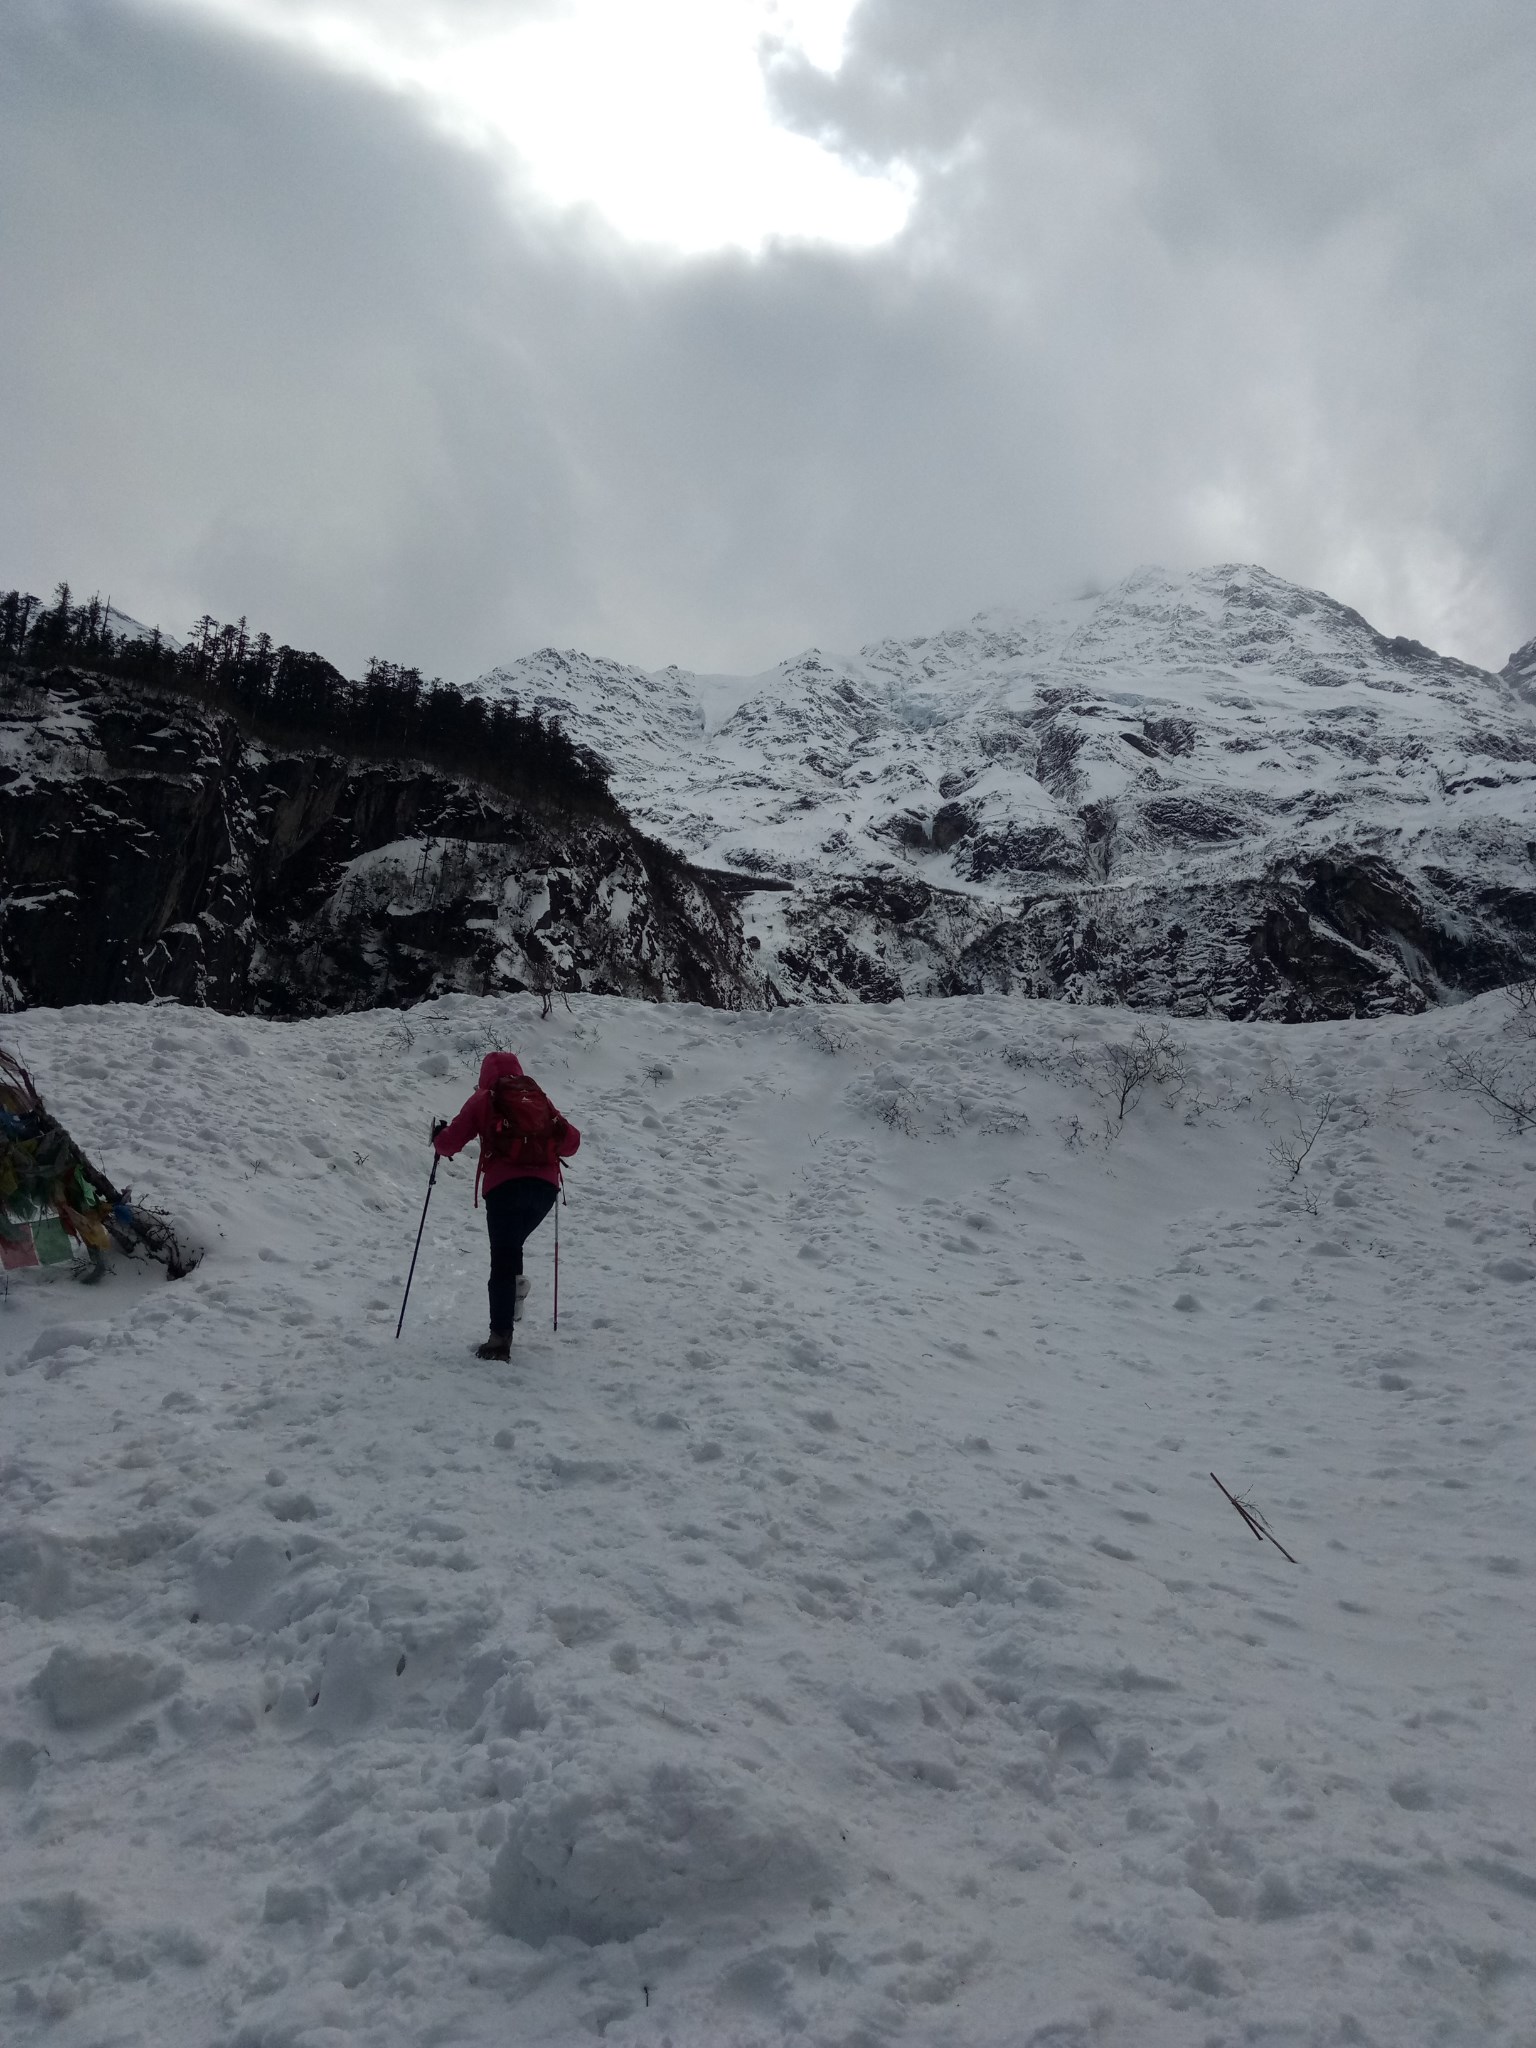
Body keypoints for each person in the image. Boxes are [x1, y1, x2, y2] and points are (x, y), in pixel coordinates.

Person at [432, 1051, 580, 1360]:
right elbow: (571, 1142)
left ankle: (499, 1340)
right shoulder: (538, 1097)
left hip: (503, 1188)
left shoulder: (484, 1098)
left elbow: (450, 1143)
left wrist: (437, 1137)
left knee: (503, 1257)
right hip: (544, 1189)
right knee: (512, 1247)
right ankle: (515, 1292)